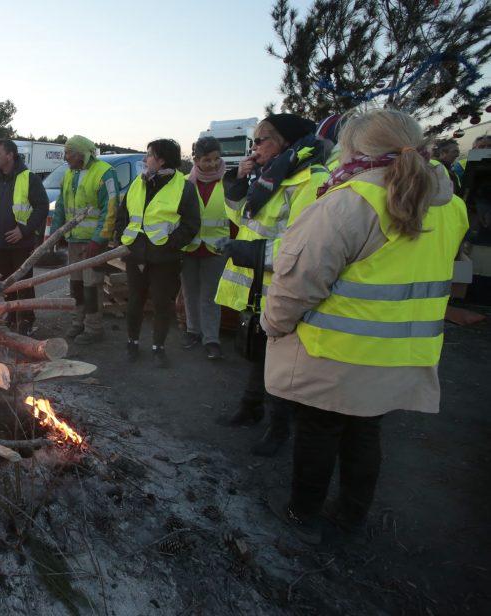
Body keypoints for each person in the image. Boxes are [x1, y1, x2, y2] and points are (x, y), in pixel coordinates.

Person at [261, 108, 468, 544]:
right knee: (366, 432)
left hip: (334, 352)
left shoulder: (347, 202)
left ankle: (303, 514)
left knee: (318, 433)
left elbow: (299, 283)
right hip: (402, 354)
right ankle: (351, 518)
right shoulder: (451, 207)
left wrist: (273, 324)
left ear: (354, 148)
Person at [214, 113, 330, 457]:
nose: (255, 147)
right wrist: (235, 184)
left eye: (261, 140)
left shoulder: (311, 179)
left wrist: (252, 251)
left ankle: (279, 429)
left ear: (285, 142)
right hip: (257, 285)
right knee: (258, 354)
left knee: (283, 362)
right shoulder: (270, 176)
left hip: (283, 284)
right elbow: (244, 217)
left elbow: (307, 245)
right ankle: (250, 409)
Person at [114, 139, 200, 367]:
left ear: (161, 160)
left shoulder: (184, 187)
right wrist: (121, 238)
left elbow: (191, 224)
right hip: (135, 255)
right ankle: (131, 343)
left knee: (162, 304)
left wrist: (171, 244)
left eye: (149, 154)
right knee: (135, 302)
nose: (144, 159)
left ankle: (158, 347)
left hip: (165, 259)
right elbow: (122, 216)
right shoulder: (137, 183)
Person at [49, 135, 120, 343]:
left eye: (69, 152)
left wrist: (99, 240)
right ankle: (77, 322)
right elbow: (61, 206)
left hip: (93, 244)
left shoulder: (104, 173)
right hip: (74, 240)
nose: (65, 156)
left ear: (81, 154)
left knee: (91, 286)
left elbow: (111, 209)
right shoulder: (69, 174)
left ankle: (94, 329)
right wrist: (56, 234)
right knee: (77, 285)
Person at [0, 138, 50, 335]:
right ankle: (11, 314)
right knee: (5, 284)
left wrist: (23, 230)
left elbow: (42, 206)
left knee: (24, 283)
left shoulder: (29, 178)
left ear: (10, 156)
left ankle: (26, 320)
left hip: (21, 243)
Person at [179, 137, 230, 360]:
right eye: (207, 160)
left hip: (216, 248)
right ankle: (193, 331)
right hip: (189, 248)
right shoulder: (184, 182)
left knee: (210, 296)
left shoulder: (229, 182)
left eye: (216, 159)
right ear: (196, 160)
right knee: (190, 293)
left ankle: (211, 339)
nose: (212, 164)